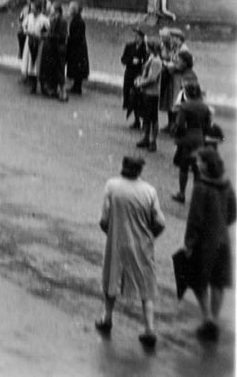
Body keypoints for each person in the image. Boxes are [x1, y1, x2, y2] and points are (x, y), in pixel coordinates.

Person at [95, 155, 166, 349]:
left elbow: (104, 219)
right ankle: (149, 328)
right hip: (142, 243)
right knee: (146, 284)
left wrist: (111, 232)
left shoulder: (112, 186)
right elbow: (160, 222)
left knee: (112, 277)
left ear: (123, 166)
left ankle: (107, 318)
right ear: (140, 170)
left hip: (118, 240)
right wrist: (150, 237)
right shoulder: (149, 191)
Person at [183, 146, 237, 341]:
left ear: (206, 164)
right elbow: (233, 212)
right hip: (223, 239)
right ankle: (214, 317)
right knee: (218, 281)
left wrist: (189, 242)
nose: (196, 164)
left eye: (199, 161)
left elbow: (195, 218)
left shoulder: (201, 186)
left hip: (204, 241)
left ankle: (207, 319)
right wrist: (222, 224)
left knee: (197, 280)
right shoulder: (226, 183)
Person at [171, 81, 212, 204]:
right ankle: (196, 196)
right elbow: (208, 126)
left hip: (186, 138)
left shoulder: (185, 106)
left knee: (184, 167)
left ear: (187, 93)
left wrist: (176, 134)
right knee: (197, 169)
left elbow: (180, 125)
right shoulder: (205, 107)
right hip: (199, 138)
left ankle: (182, 193)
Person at [134, 40, 163, 152]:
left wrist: (140, 83)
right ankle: (146, 137)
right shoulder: (152, 58)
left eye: (147, 47)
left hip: (152, 92)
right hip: (147, 91)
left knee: (152, 118)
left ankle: (153, 141)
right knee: (146, 117)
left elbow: (153, 78)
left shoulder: (156, 61)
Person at [120, 25, 148, 130]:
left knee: (138, 97)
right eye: (135, 36)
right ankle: (136, 120)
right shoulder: (129, 46)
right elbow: (123, 59)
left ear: (142, 37)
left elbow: (147, 61)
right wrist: (131, 61)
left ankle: (142, 120)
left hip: (139, 74)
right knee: (130, 96)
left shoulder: (145, 48)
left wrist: (140, 62)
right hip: (129, 73)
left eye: (137, 36)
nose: (135, 38)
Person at [20, 0, 48, 94]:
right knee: (30, 61)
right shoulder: (29, 17)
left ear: (39, 9)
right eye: (31, 8)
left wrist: (41, 35)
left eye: (34, 8)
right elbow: (24, 25)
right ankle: (33, 84)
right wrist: (26, 31)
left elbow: (47, 31)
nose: (32, 10)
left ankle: (42, 84)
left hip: (39, 42)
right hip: (30, 41)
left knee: (38, 62)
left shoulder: (44, 19)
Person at [65, 1, 89, 96]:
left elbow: (77, 36)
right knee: (76, 66)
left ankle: (77, 86)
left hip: (78, 48)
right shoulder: (77, 20)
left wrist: (69, 38)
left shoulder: (78, 21)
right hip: (77, 47)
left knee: (77, 66)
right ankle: (76, 85)